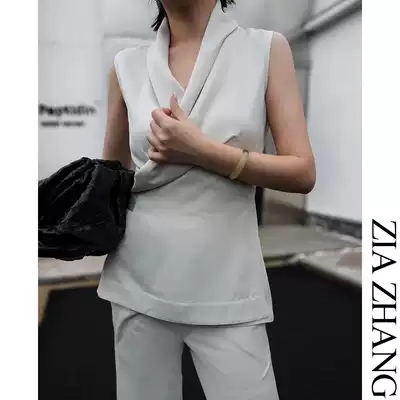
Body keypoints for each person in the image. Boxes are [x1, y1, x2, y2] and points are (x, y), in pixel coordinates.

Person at [99, 0, 315, 399]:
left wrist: (200, 150)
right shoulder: (126, 65)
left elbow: (302, 172)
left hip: (228, 282)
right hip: (138, 278)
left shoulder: (265, 49)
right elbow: (111, 176)